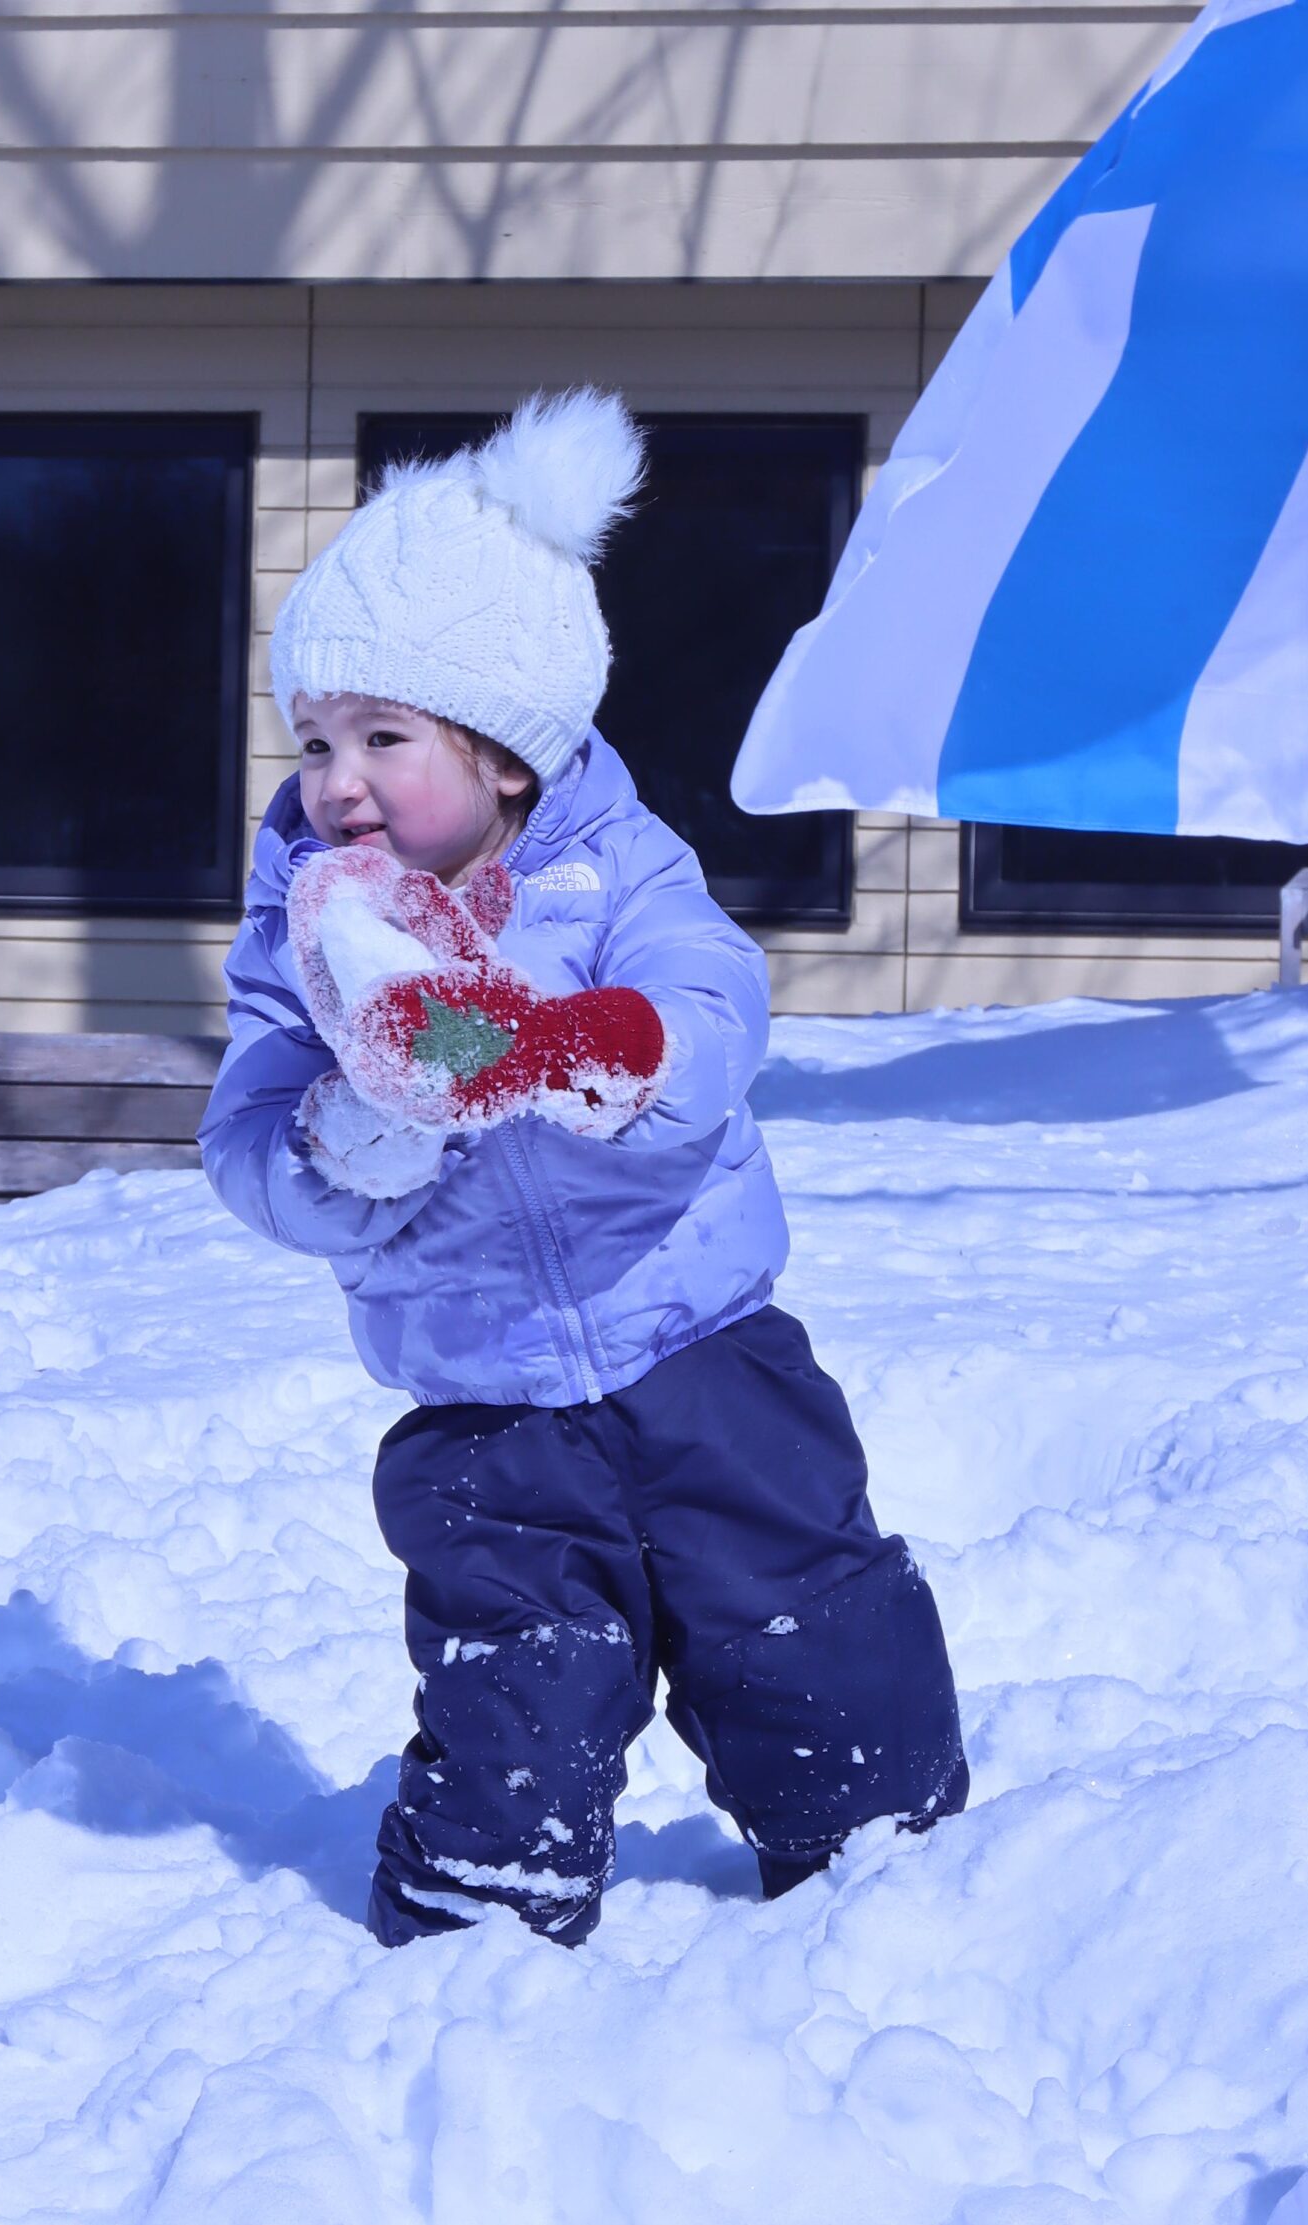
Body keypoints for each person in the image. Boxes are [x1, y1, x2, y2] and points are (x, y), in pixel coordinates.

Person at [199, 389, 967, 1947]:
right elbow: (247, 1143)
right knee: (517, 1683)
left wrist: (572, 1048)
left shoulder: (613, 871)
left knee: (809, 1622)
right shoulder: (307, 928)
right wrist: (361, 1129)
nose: (338, 781)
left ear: (507, 753)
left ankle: (888, 1866)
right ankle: (479, 1921)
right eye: (317, 741)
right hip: (482, 1404)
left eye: (385, 738)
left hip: (704, 1350)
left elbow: (714, 1007)